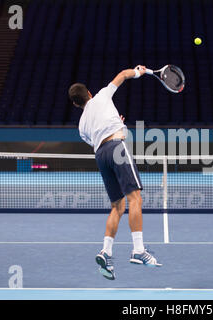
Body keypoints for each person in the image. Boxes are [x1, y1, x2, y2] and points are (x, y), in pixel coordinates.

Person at [68, 65, 161, 281]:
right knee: (135, 198)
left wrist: (116, 124)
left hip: (101, 156)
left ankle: (106, 252)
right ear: (89, 94)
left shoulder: (81, 126)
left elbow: (97, 138)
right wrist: (139, 71)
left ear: (75, 103)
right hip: (116, 148)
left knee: (117, 207)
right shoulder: (102, 95)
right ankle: (138, 250)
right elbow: (123, 75)